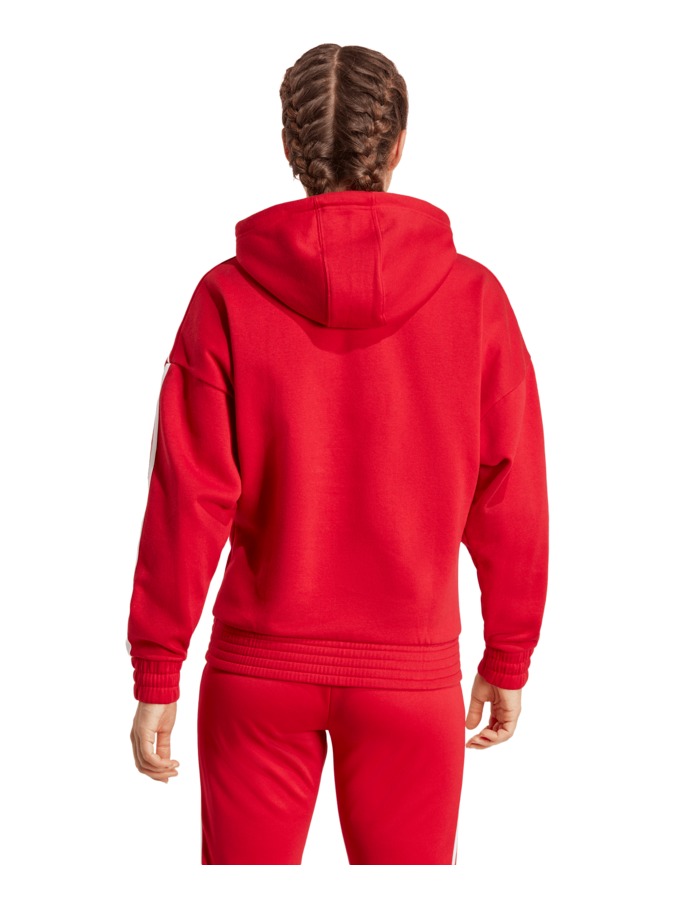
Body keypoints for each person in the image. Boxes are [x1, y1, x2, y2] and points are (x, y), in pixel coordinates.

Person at [126, 43, 549, 865]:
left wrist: (157, 670)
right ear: (398, 145)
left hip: (256, 673)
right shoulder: (474, 300)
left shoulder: (225, 297)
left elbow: (188, 498)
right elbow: (513, 496)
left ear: (290, 148)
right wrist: (507, 655)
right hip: (410, 680)